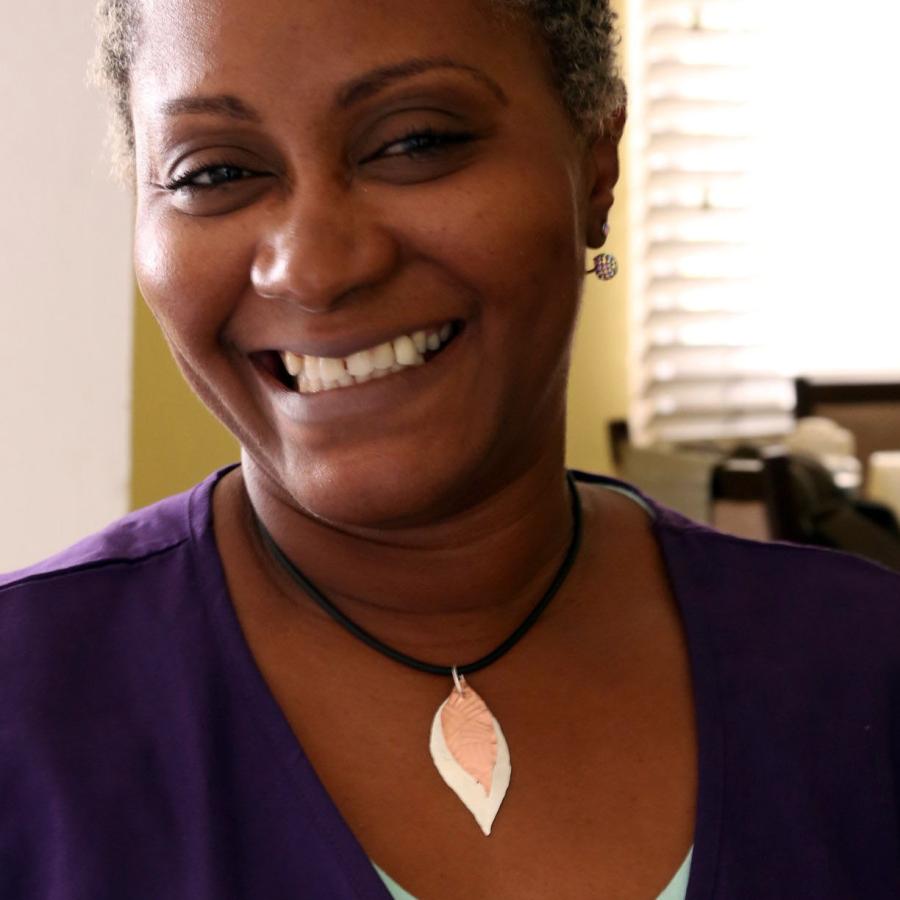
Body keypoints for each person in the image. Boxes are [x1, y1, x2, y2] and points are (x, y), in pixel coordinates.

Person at [1, 0, 898, 897]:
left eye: (415, 142)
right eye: (215, 172)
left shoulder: (863, 672)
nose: (314, 267)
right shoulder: (25, 711)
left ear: (596, 159)